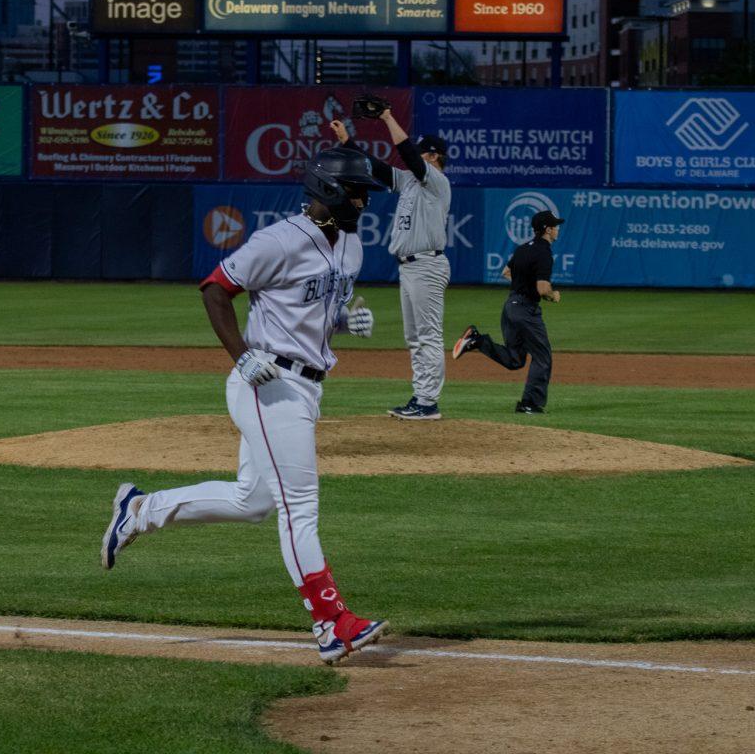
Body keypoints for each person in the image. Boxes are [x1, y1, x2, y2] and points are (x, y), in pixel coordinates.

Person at [101, 148, 390, 665]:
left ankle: (140, 511)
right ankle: (332, 622)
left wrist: (344, 323)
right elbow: (215, 289)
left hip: (307, 385)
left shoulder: (350, 244)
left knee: (253, 500)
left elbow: (309, 307)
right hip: (268, 384)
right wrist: (243, 355)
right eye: (356, 190)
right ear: (326, 189)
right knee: (299, 505)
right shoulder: (278, 240)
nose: (365, 199)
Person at [331, 110, 451, 421]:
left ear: (434, 157)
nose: (418, 157)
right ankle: (420, 396)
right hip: (410, 267)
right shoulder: (412, 182)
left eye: (424, 152)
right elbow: (379, 169)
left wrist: (386, 117)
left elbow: (407, 153)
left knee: (428, 335)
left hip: (426, 264)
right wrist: (349, 142)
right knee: (414, 337)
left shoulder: (436, 180)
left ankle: (429, 403)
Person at [451, 210, 564, 414]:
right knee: (542, 356)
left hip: (510, 307)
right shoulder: (544, 252)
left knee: (515, 359)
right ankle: (529, 403)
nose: (557, 229)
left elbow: (506, 273)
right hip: (526, 311)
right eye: (555, 226)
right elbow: (542, 288)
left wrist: (525, 284)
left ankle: (478, 340)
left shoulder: (522, 249)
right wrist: (553, 295)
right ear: (547, 229)